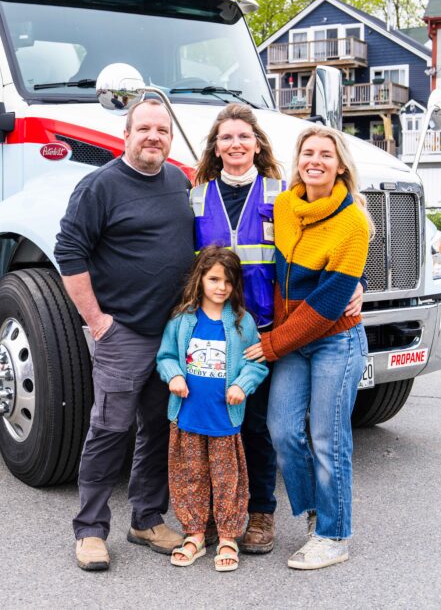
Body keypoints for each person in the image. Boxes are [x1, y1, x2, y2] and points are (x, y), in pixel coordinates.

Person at [190, 104, 363, 555]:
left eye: (244, 137)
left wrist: (356, 284)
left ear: (258, 144)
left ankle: (316, 526)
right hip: (228, 332)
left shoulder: (285, 196)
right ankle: (279, 515)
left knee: (295, 434)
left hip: (278, 333)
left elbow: (332, 279)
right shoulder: (277, 201)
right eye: (226, 138)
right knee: (258, 428)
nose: (235, 145)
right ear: (215, 147)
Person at [55, 98, 195, 572]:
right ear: (126, 135)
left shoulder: (179, 181)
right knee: (110, 430)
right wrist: (98, 322)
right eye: (144, 129)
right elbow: (68, 252)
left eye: (162, 129)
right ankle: (91, 530)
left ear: (170, 137)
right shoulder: (99, 186)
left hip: (172, 336)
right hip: (123, 333)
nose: (154, 136)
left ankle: (147, 519)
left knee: (158, 428)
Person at [246, 124, 371, 571]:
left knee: (327, 438)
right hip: (295, 340)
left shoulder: (353, 221)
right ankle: (321, 509)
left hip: (335, 339)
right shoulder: (283, 206)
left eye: (326, 154)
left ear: (340, 166)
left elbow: (327, 304)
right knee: (281, 430)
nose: (315, 160)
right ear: (297, 161)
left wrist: (272, 344)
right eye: (307, 153)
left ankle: (334, 535)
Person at [155, 246, 268, 572]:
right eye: (214, 278)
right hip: (189, 417)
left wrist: (241, 386)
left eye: (228, 281)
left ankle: (229, 536)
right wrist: (174, 375)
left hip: (224, 421)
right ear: (200, 279)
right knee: (190, 476)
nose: (221, 287)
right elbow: (165, 357)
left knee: (226, 478)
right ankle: (194, 534)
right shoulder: (182, 320)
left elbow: (256, 365)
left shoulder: (242, 323)